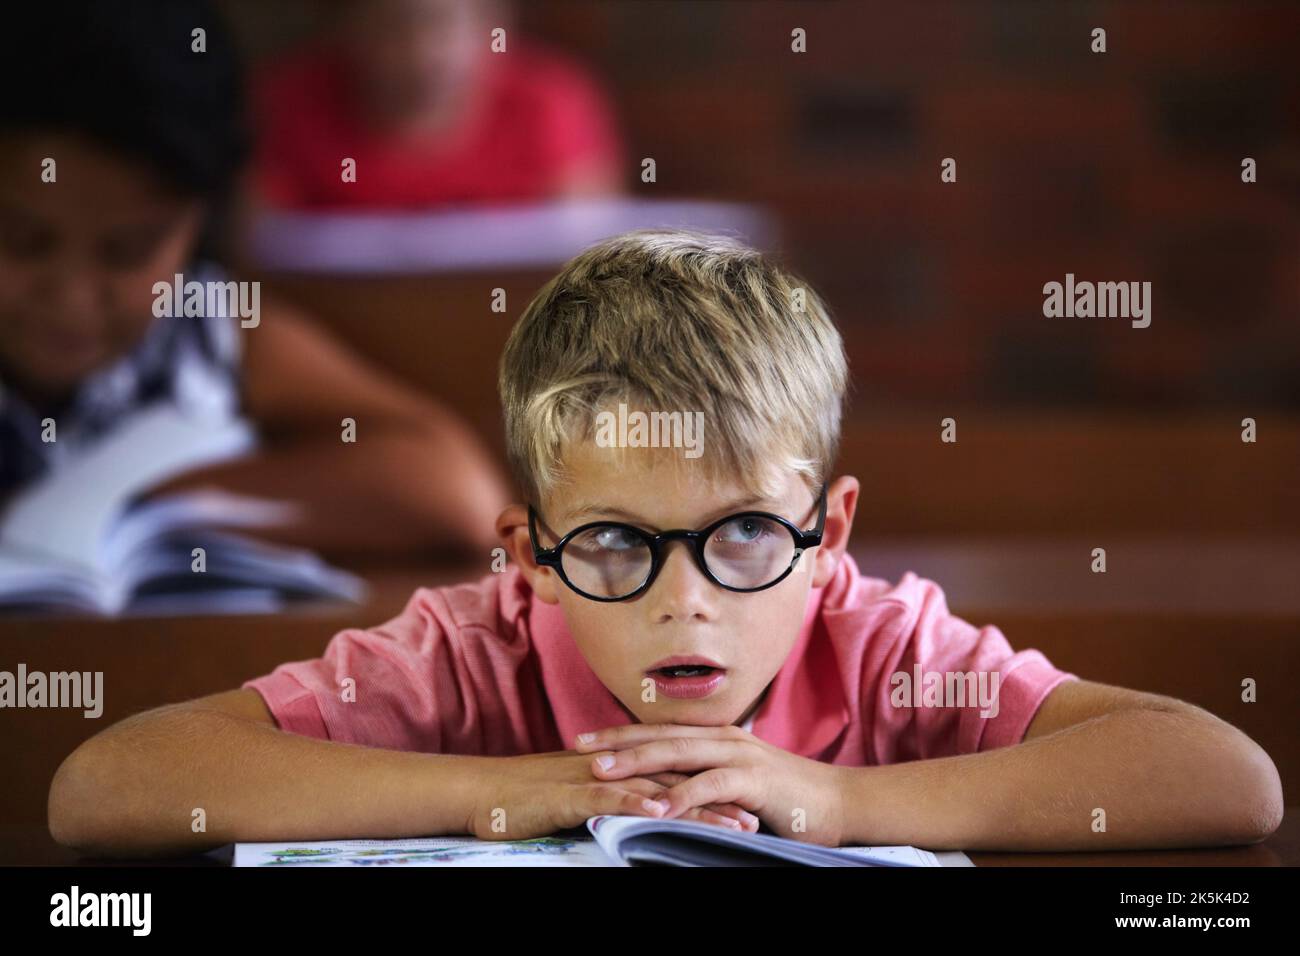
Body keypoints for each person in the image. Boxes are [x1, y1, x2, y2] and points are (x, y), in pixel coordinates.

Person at [49, 229, 1283, 855]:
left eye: (746, 533)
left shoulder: (880, 642)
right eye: (616, 546)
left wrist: (843, 799)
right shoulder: (472, 654)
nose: (685, 603)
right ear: (528, 552)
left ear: (827, 530)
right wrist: (508, 789)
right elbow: (103, 789)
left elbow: (1228, 777)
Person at [0, 1, 510, 555]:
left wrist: (120, 503)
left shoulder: (211, 333)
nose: (72, 300)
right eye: (22, 240)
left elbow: (460, 495)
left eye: (128, 251)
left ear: (197, 227)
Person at [253, 0, 625, 209]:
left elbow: (588, 257)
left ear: (493, 23)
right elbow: (256, 252)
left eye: (444, 24)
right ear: (347, 28)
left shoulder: (551, 102)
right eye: (392, 27)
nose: (422, 52)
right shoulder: (288, 106)